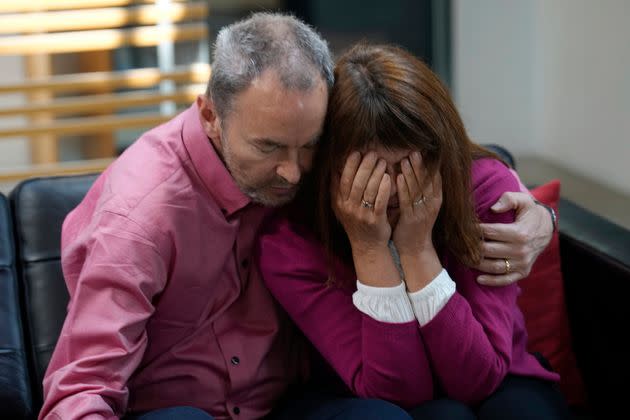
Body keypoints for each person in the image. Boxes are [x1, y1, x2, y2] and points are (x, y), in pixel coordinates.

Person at [39, 12, 556, 420]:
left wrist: (539, 215)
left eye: (309, 146)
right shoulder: (140, 216)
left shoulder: (313, 181)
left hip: (288, 403)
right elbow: (83, 388)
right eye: (268, 147)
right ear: (210, 116)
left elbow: (446, 153)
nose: (291, 172)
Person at [256, 42, 571, 419]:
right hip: (354, 396)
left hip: (502, 376)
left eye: (406, 167)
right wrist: (370, 250)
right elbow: (397, 392)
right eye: (368, 173)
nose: (389, 189)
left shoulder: (485, 190)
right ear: (328, 163)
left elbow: (478, 378)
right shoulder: (290, 239)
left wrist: (418, 249)